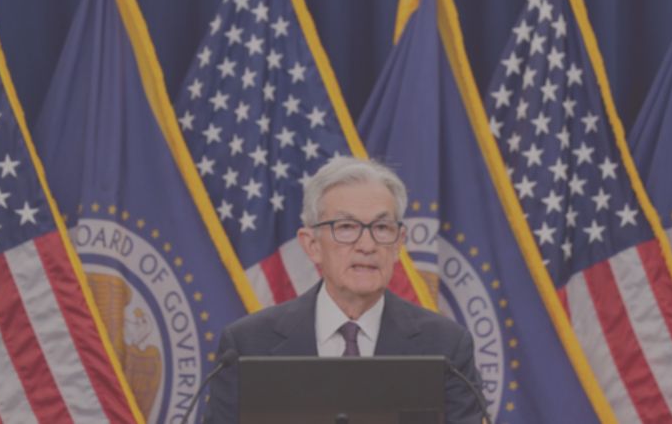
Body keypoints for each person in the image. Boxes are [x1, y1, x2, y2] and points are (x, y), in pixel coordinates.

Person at [203, 156, 485, 423]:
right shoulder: (248, 346)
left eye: (382, 227)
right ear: (312, 245)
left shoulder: (446, 347)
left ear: (398, 243)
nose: (367, 245)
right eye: (347, 227)